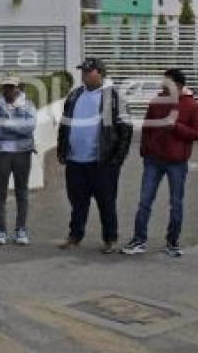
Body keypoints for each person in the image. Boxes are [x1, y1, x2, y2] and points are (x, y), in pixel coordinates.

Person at [122, 69, 198, 258]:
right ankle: (139, 240)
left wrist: (176, 127)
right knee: (145, 201)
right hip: (153, 160)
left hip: (177, 162)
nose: (162, 84)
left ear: (179, 86)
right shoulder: (156, 103)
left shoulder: (192, 106)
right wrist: (145, 151)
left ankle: (172, 242)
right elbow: (146, 128)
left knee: (176, 203)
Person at [56, 57, 133, 254]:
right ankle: (75, 236)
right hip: (75, 161)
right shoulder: (75, 95)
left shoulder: (113, 96)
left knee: (106, 203)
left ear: (99, 72)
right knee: (77, 203)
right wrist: (62, 149)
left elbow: (125, 130)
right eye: (82, 71)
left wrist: (117, 160)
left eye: (88, 71)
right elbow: (64, 125)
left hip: (102, 162)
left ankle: (110, 239)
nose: (83, 75)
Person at [0, 76, 36, 246]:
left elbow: (29, 128)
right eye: (5, 86)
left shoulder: (28, 105)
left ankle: (21, 230)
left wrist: (6, 124)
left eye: (11, 86)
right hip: (1, 153)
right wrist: (17, 126)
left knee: (22, 192)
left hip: (23, 153)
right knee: (0, 192)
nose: (7, 90)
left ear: (19, 88)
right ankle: (0, 231)